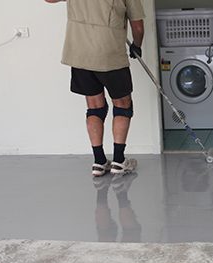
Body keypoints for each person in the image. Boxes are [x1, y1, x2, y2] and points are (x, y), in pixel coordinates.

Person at [45, 0, 145, 177]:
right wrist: (137, 44)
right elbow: (137, 26)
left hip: (79, 53)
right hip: (109, 53)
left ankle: (99, 162)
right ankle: (119, 161)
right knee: (123, 104)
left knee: (95, 107)